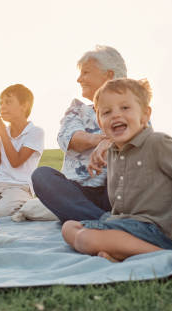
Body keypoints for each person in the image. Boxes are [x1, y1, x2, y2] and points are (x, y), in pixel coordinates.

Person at [61, 78, 172, 264]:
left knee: (85, 239)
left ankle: (167, 256)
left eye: (125, 108)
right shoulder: (114, 151)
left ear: (145, 115)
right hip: (123, 223)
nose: (115, 115)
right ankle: (121, 251)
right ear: (100, 122)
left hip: (154, 230)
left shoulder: (158, 143)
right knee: (68, 227)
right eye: (106, 112)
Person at [32, 45, 127, 223]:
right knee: (41, 176)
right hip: (77, 192)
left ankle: (95, 222)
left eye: (86, 72)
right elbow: (69, 138)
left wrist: (109, 144)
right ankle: (103, 223)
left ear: (109, 75)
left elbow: (140, 141)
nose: (79, 79)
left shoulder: (133, 108)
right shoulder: (78, 110)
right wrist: (103, 140)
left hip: (116, 190)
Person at [0, 84, 44, 217]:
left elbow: (16, 161)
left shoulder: (35, 132)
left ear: (24, 106)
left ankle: (28, 205)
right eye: (1, 103)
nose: (2, 107)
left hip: (19, 186)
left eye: (8, 102)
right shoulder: (3, 132)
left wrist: (2, 132)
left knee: (2, 213)